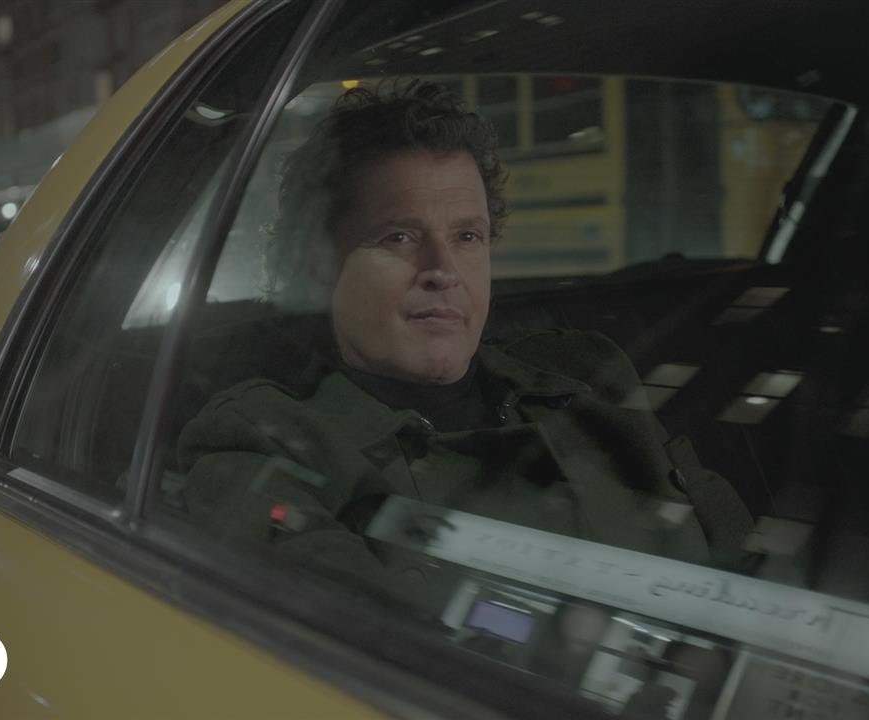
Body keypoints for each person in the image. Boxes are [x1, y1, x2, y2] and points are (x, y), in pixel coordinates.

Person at [177, 81, 751, 604]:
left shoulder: (590, 372)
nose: (443, 270)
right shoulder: (265, 440)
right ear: (317, 264)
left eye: (468, 236)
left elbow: (745, 570)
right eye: (399, 236)